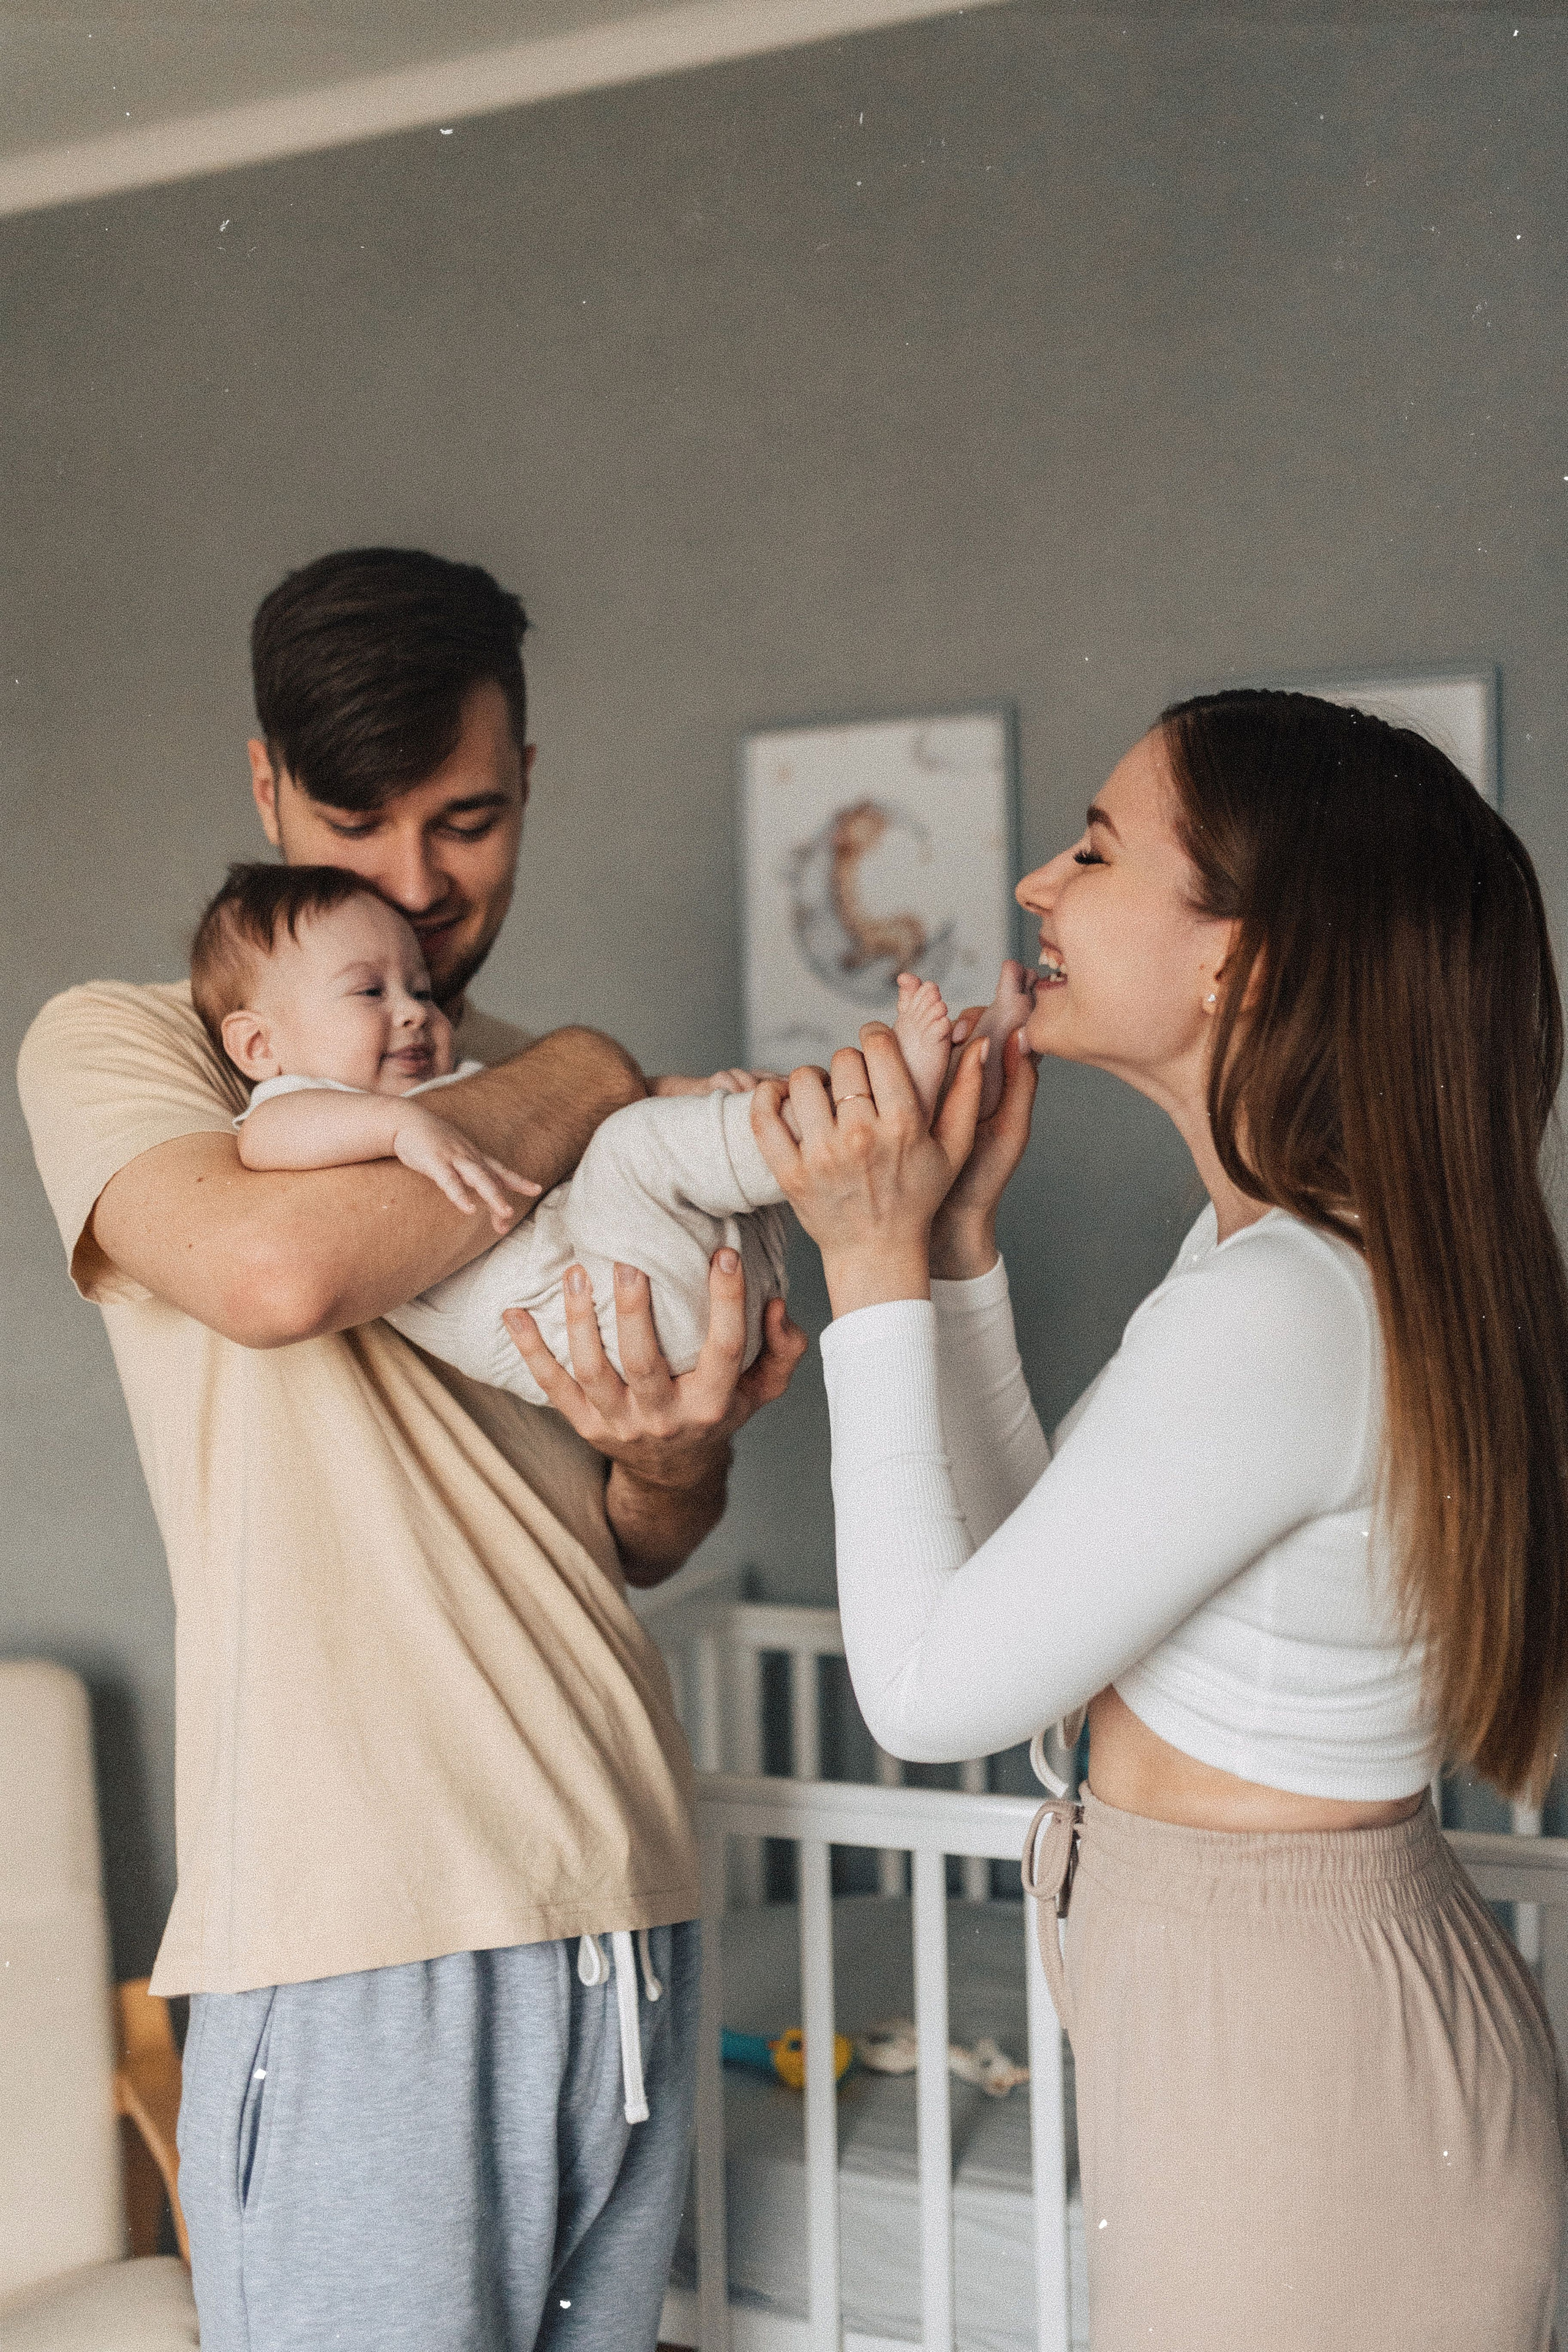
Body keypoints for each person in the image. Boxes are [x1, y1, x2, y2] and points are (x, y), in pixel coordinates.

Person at [17, 545, 805, 2352]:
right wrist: (597, 1065)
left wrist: (678, 1457)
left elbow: (628, 1534)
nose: (413, 889)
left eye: (464, 824)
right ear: (265, 787)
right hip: (360, 1931)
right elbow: (275, 1270)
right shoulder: (145, 1050)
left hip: (619, 1900)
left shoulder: (512, 1078)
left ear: (530, 783)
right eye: (354, 823)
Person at [753, 688, 1568, 2350]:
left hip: (1301, 2077)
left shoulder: (1286, 1304)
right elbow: (1038, 1634)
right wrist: (960, 1248)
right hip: (1287, 2036)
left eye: (1100, 849)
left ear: (1240, 962)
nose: (1042, 887)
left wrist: (868, 1260)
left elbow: (922, 1695)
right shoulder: (1281, 1268)